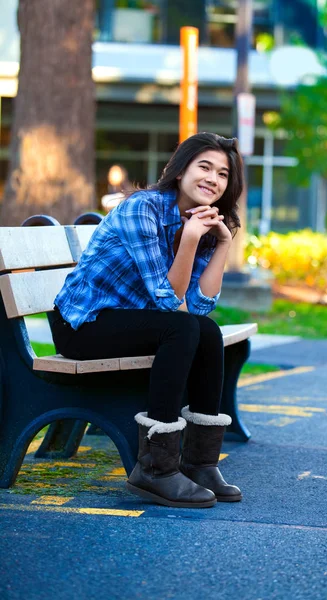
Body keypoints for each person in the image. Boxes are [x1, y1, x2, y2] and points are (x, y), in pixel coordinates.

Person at [51, 132, 244, 509]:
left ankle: (199, 463)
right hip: (82, 325)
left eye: (222, 174)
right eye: (204, 167)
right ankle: (155, 469)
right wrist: (189, 240)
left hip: (131, 321)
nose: (213, 179)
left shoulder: (202, 221)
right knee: (184, 326)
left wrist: (222, 243)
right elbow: (169, 301)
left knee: (206, 330)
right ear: (179, 170)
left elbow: (200, 307)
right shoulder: (143, 209)